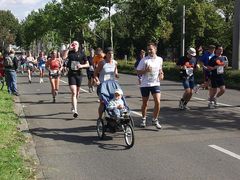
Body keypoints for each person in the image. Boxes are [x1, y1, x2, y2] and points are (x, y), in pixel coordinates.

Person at [136, 42, 164, 129]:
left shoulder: (160, 59)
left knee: (158, 102)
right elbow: (138, 71)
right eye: (148, 49)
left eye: (151, 49)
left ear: (155, 49)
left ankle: (155, 119)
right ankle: (143, 119)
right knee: (145, 103)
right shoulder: (144, 60)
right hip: (145, 84)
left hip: (155, 83)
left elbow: (160, 69)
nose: (149, 51)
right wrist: (145, 70)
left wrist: (161, 74)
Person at [65, 41, 89, 118]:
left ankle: (73, 105)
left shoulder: (82, 53)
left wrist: (81, 66)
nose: (74, 45)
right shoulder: (70, 52)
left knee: (77, 93)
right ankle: (75, 110)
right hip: (71, 75)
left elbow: (88, 64)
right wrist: (68, 49)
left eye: (75, 44)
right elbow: (64, 57)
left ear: (78, 46)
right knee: (74, 92)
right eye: (73, 44)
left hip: (79, 75)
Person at [94, 47, 119, 120]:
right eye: (109, 53)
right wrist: (97, 80)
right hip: (103, 85)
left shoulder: (115, 62)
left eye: (112, 53)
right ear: (106, 54)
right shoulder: (102, 63)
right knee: (102, 102)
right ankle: (100, 118)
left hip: (111, 85)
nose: (111, 55)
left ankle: (112, 115)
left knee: (114, 100)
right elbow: (95, 73)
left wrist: (117, 75)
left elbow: (115, 71)